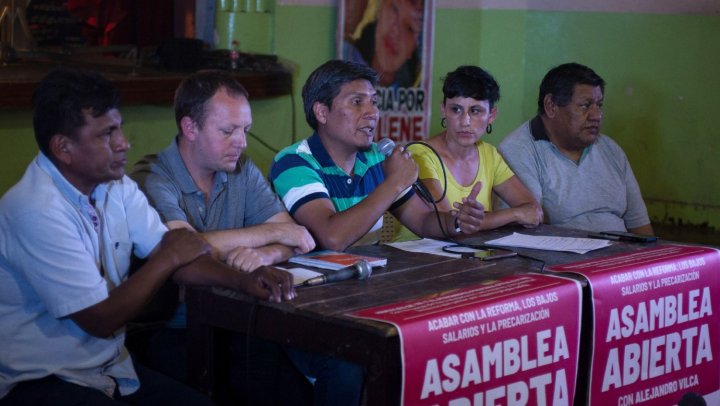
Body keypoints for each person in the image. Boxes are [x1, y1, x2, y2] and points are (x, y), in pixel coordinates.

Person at [0, 69, 295, 405]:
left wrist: (242, 281)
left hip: (110, 368)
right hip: (41, 379)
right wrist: (169, 258)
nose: (124, 142)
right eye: (106, 134)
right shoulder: (35, 210)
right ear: (64, 148)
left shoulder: (117, 187)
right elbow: (100, 318)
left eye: (119, 128)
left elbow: (182, 260)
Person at [131, 70, 315, 404]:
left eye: (245, 130)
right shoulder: (153, 177)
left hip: (238, 322)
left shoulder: (240, 168)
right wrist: (272, 233)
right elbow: (184, 252)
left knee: (301, 394)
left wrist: (265, 255)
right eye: (228, 131)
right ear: (190, 128)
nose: (242, 142)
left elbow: (295, 238)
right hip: (171, 331)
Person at [270, 59, 488, 252]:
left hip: (367, 281)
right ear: (322, 112)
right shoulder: (293, 162)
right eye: (357, 102)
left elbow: (422, 221)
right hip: (312, 289)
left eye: (374, 102)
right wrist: (394, 182)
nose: (373, 113)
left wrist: (458, 221)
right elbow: (332, 238)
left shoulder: (376, 157)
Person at [498, 62, 654, 235]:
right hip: (561, 258)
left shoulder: (611, 150)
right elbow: (525, 233)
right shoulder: (520, 150)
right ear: (551, 106)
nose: (596, 116)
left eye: (599, 105)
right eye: (585, 106)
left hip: (619, 256)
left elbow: (641, 229)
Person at [393, 65, 543, 241]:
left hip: (469, 255)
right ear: (443, 109)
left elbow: (533, 212)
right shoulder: (420, 154)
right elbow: (447, 224)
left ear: (492, 115)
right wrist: (515, 214)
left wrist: (484, 219)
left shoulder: (489, 154)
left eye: (475, 110)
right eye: (456, 109)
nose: (465, 121)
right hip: (416, 258)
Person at [342, 0, 424, 88]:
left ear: (415, 46)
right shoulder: (344, 56)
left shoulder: (413, 94)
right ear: (379, 10)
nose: (395, 32)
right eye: (394, 10)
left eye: (409, 28)